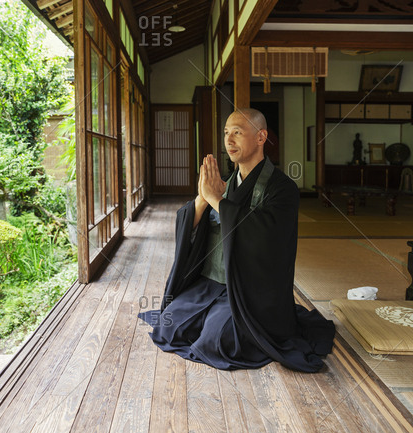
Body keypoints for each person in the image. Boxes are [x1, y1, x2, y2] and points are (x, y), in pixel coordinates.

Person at [139, 108, 335, 372]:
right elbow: (193, 226)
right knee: (168, 325)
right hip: (212, 283)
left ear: (261, 137)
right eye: (226, 133)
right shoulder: (227, 183)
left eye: (238, 133)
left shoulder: (283, 189)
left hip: (252, 291)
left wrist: (217, 201)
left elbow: (263, 236)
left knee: (218, 341)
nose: (229, 140)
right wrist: (202, 198)